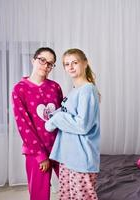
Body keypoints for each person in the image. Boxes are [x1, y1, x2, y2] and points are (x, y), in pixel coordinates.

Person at [45, 48, 100, 200]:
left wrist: (56, 119)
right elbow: (66, 112)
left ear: (85, 63)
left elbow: (82, 125)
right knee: (66, 195)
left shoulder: (88, 90)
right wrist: (52, 115)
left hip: (81, 157)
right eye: (66, 64)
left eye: (74, 62)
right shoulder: (74, 91)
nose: (70, 67)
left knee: (82, 197)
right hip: (68, 155)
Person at [12, 47, 63, 200]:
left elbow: (62, 117)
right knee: (39, 194)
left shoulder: (55, 87)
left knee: (71, 186)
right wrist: (41, 155)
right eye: (42, 60)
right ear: (33, 60)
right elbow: (24, 125)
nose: (45, 65)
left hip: (60, 147)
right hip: (36, 152)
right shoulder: (20, 89)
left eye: (50, 63)